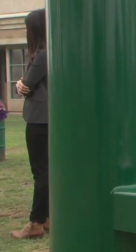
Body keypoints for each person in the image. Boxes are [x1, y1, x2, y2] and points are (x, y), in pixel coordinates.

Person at [10, 9, 49, 239]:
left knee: (41, 173)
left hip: (38, 120)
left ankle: (35, 222)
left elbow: (27, 85)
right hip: (47, 119)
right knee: (48, 171)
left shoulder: (41, 54)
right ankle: (46, 218)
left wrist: (20, 83)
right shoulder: (52, 52)